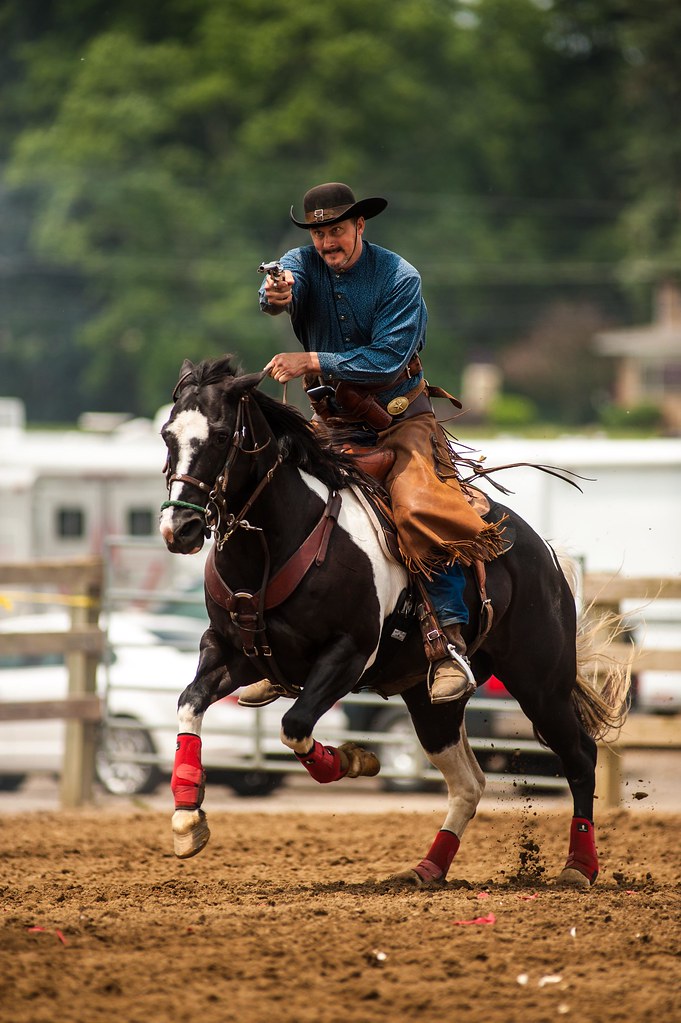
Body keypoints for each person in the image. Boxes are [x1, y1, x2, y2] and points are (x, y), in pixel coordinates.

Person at [238, 182, 505, 709]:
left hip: (399, 421)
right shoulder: (303, 263)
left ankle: (448, 642)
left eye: (336, 230)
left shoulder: (400, 278)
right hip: (332, 423)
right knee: (276, 494)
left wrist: (311, 360)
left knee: (422, 506)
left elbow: (385, 360)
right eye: (319, 232)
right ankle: (282, 649)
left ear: (361, 226)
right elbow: (282, 283)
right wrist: (275, 293)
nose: (327, 243)